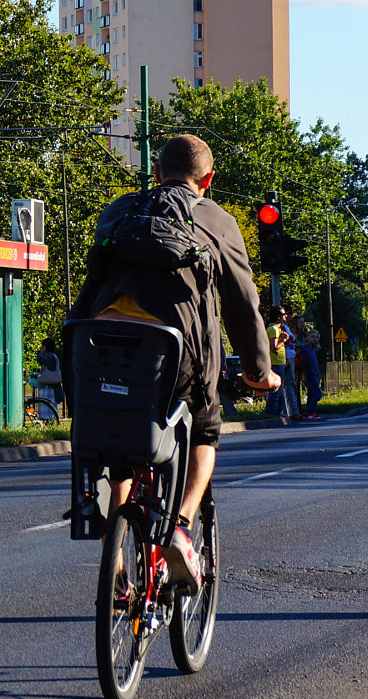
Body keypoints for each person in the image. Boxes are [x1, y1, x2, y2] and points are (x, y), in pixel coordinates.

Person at [66, 133, 280, 589]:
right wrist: (258, 372)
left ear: (157, 173)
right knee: (205, 429)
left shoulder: (118, 212)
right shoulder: (217, 221)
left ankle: (115, 561)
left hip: (98, 348)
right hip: (175, 355)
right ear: (208, 180)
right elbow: (242, 302)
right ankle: (181, 528)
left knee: (119, 438)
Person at [294, 315, 324, 419]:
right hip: (309, 373)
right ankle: (311, 412)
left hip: (315, 373)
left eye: (316, 338)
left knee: (312, 393)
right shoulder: (303, 347)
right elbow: (296, 355)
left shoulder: (313, 349)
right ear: (307, 337)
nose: (314, 339)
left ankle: (310, 412)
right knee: (317, 394)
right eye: (312, 336)